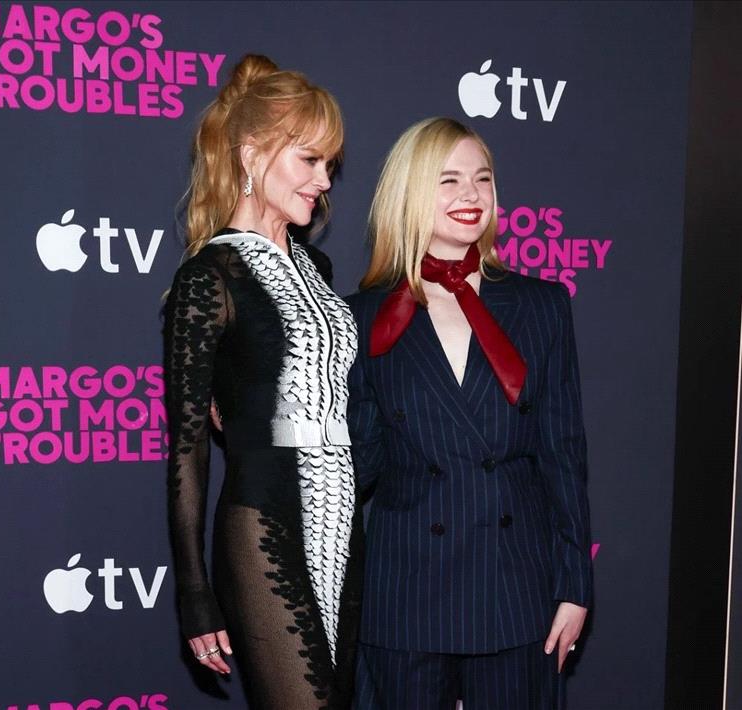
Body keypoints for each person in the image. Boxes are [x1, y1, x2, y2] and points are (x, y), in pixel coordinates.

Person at [346, 117, 592, 709]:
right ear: (411, 192)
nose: (471, 194)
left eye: (482, 178)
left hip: (516, 589)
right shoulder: (362, 317)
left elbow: (562, 456)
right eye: (449, 179)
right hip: (405, 593)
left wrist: (575, 584)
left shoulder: (542, 305)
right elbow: (353, 465)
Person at [162, 54, 362, 710]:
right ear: (252, 154)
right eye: (310, 160)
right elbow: (187, 446)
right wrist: (194, 593)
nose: (324, 180)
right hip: (263, 524)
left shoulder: (317, 268)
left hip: (342, 519)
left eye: (329, 163)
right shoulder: (208, 278)